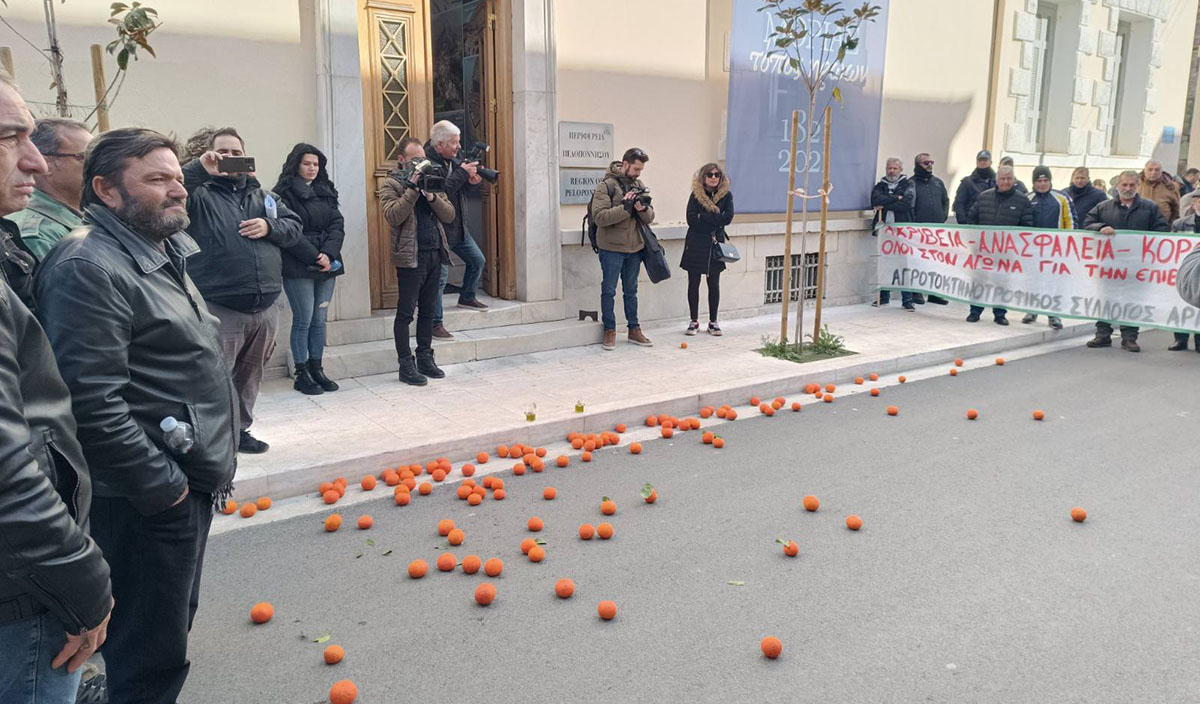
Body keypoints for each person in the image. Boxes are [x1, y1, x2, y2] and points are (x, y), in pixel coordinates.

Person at [34, 127, 239, 704]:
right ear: (106, 189)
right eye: (157, 179)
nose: (178, 190)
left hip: (180, 483)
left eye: (177, 176)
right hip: (146, 500)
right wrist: (165, 489)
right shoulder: (88, 266)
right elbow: (90, 401)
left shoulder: (158, 247)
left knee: (161, 633)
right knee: (150, 652)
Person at [0, 72, 113, 704]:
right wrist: (86, 583)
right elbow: (9, 465)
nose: (35, 160)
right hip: (27, 584)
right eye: (10, 136)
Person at [182, 127, 304, 454]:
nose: (231, 158)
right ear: (211, 156)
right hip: (221, 306)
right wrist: (197, 169)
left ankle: (240, 431)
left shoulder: (264, 197)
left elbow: (294, 227)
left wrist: (270, 226)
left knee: (249, 378)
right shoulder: (198, 195)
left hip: (264, 307)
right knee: (215, 379)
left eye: (237, 152)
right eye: (223, 152)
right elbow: (170, 190)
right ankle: (214, 440)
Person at [380, 137, 455, 385]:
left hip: (435, 252)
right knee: (405, 313)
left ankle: (425, 357)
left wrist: (432, 196)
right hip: (410, 256)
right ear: (402, 160)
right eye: (415, 160)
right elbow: (393, 216)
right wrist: (412, 189)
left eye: (423, 159)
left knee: (429, 310)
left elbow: (449, 214)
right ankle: (405, 365)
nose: (421, 164)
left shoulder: (432, 181)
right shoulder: (391, 183)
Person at [273, 143, 345, 395]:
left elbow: (337, 223)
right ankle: (301, 373)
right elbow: (288, 232)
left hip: (328, 261)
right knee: (303, 320)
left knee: (319, 319)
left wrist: (329, 254)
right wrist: (316, 255)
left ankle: (317, 368)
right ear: (296, 164)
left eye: (316, 164)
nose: (312, 168)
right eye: (307, 163)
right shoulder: (282, 194)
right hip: (299, 262)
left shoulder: (326, 190)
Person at [1082, 170, 1169, 352]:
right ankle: (1102, 335)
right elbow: (1087, 223)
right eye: (1124, 185)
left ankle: (1129, 338)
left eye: (1132, 185)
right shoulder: (1104, 207)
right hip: (1109, 265)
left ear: (1138, 186)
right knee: (1106, 299)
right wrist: (1101, 227)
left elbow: (1162, 230)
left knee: (1133, 301)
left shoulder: (1150, 208)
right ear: (1117, 186)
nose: (1128, 188)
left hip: (1137, 267)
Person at [424, 120, 488, 341]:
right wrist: (462, 173)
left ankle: (467, 296)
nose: (459, 147)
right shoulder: (427, 163)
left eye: (459, 142)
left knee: (477, 260)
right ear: (439, 144)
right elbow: (441, 190)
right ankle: (435, 323)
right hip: (438, 229)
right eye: (454, 143)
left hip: (458, 226)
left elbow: (457, 187)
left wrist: (472, 181)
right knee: (440, 278)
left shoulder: (454, 159)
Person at [592, 147, 655, 350]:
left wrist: (642, 209)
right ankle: (609, 330)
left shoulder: (639, 185)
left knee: (631, 291)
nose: (638, 173)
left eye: (641, 170)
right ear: (625, 164)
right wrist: (625, 208)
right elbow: (600, 217)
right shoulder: (606, 186)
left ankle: (634, 330)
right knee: (609, 290)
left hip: (634, 247)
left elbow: (650, 217)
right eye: (636, 168)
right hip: (611, 248)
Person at [10, 117, 91, 261]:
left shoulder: (81, 216)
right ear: (46, 164)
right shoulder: (40, 235)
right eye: (84, 157)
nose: (96, 165)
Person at [965, 165, 1032, 325]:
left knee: (1002, 282)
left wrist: (1015, 244)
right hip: (984, 249)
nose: (1006, 181)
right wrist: (974, 241)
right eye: (1002, 178)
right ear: (997, 180)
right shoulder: (984, 197)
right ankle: (975, 311)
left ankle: (1000, 313)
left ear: (1014, 180)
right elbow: (972, 219)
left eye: (1009, 178)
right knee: (979, 280)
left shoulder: (1022, 200)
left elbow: (1027, 225)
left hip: (1006, 251)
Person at [680, 162, 733, 334]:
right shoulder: (695, 196)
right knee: (693, 283)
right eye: (709, 175)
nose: (713, 178)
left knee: (714, 284)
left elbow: (728, 218)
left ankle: (713, 321)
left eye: (717, 175)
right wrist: (713, 218)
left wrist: (703, 216)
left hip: (715, 245)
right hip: (695, 244)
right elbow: (691, 220)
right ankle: (694, 321)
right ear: (703, 177)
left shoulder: (726, 196)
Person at [1021, 166, 1075, 329]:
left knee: (1053, 283)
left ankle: (1054, 314)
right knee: (1033, 281)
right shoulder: (1027, 198)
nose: (1042, 184)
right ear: (1034, 182)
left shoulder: (1061, 198)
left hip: (1055, 250)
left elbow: (1070, 220)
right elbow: (1021, 223)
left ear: (1050, 181)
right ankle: (1032, 310)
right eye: (1039, 181)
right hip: (1032, 249)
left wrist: (1069, 242)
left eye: (1046, 180)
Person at [870, 157, 915, 309]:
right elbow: (875, 199)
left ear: (900, 170)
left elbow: (907, 204)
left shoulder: (908, 184)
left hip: (902, 230)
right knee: (884, 263)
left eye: (895, 168)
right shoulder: (880, 185)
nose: (892, 171)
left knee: (904, 264)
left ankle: (907, 300)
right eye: (889, 168)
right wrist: (896, 198)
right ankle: (883, 297)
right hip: (884, 229)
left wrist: (886, 202)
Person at [909, 152, 951, 305]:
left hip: (937, 231)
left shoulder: (938, 183)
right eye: (926, 163)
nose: (929, 165)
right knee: (918, 262)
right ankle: (917, 292)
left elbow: (945, 200)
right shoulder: (911, 183)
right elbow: (909, 205)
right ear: (918, 165)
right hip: (918, 231)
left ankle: (934, 293)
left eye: (931, 162)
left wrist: (943, 216)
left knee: (936, 262)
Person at [1168, 198, 1200, 352]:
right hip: (1184, 268)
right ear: (1193, 204)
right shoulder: (1180, 223)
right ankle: (1180, 339)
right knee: (1180, 304)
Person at [953, 150, 996, 224]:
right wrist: (963, 222)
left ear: (990, 162)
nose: (982, 162)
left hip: (992, 224)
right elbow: (959, 203)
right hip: (972, 224)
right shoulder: (967, 182)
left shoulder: (998, 182)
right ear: (976, 162)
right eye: (980, 160)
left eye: (985, 160)